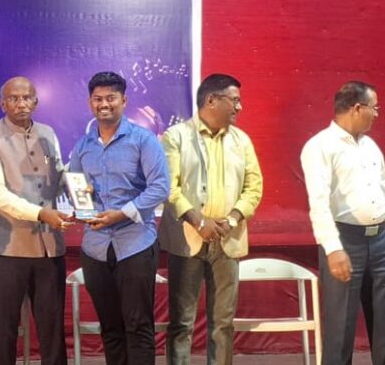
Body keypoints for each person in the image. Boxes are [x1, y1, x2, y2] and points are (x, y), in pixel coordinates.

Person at [300, 81, 385, 365]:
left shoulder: (371, 146)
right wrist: (333, 249)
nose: (377, 114)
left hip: (381, 240)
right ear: (357, 108)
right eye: (374, 108)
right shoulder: (320, 146)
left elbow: (384, 196)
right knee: (340, 326)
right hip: (345, 241)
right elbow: (319, 203)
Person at [159, 74, 263, 364]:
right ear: (211, 100)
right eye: (235, 100)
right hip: (187, 239)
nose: (240, 107)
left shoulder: (242, 140)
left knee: (223, 323)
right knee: (182, 322)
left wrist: (232, 219)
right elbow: (169, 187)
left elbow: (254, 187)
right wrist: (199, 221)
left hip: (228, 239)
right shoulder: (176, 137)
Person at [68, 71, 170, 365]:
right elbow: (75, 187)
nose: (104, 104)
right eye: (98, 99)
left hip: (135, 244)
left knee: (138, 325)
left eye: (110, 98)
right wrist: (82, 200)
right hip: (96, 248)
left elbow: (160, 187)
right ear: (90, 102)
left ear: (124, 101)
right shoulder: (83, 146)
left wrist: (121, 214)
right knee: (110, 327)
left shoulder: (143, 140)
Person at [0, 76, 73, 365]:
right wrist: (40, 214)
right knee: (5, 331)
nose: (21, 104)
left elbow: (58, 176)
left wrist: (80, 186)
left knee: (52, 329)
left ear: (36, 102)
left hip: (49, 249)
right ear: (2, 104)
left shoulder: (48, 133)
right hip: (7, 250)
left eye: (26, 97)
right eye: (14, 98)